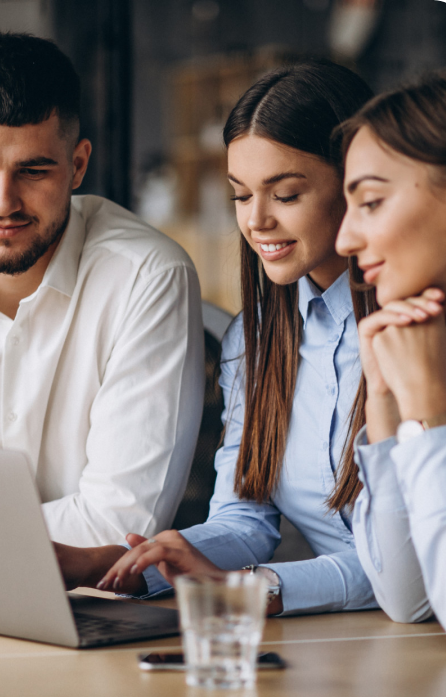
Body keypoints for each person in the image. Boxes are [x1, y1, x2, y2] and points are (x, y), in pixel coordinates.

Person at [56, 60, 381, 617]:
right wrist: (125, 567)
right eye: (240, 195)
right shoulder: (253, 342)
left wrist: (259, 589)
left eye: (285, 194)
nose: (255, 221)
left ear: (357, 186)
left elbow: (412, 568)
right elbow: (244, 520)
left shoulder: (429, 337)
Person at [0, 33, 205, 547]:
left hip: (89, 607)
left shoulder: (147, 277)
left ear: (77, 165)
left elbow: (120, 525)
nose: (3, 203)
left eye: (32, 171)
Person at [336, 67, 446, 653]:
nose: (344, 239)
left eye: (370, 202)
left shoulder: (440, 383)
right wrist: (388, 405)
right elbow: (409, 597)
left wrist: (431, 412)